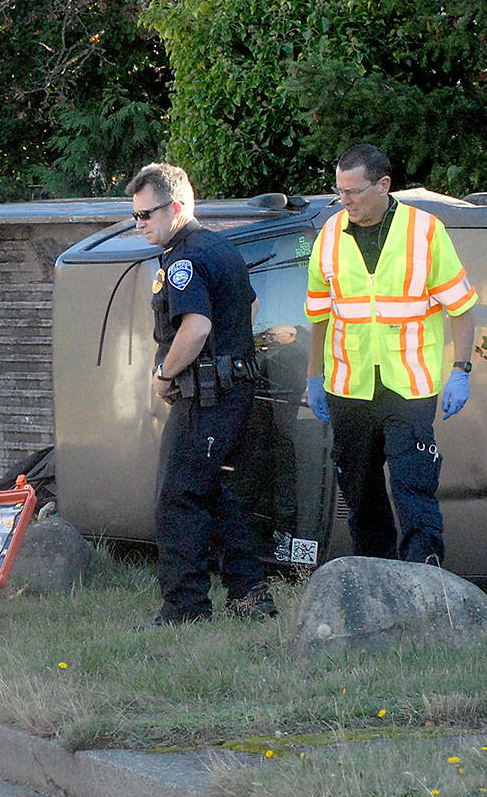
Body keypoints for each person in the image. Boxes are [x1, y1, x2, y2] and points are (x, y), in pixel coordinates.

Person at [305, 143, 477, 564]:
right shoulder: (329, 234)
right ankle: (374, 581)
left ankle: (423, 580)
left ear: (384, 185)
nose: (344, 201)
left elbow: (462, 307)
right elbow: (319, 317)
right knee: (361, 497)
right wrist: (314, 379)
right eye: (340, 191)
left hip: (408, 386)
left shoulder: (425, 231)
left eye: (354, 191)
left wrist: (461, 369)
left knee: (413, 489)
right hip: (349, 386)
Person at [128, 162, 277, 626]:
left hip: (208, 395)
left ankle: (185, 606)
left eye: (146, 215)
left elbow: (196, 327)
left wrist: (164, 374)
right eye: (135, 216)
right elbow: (248, 305)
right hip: (228, 388)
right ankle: (250, 593)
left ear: (175, 207)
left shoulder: (185, 258)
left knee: (176, 497)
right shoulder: (220, 247)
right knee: (209, 491)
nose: (140, 225)